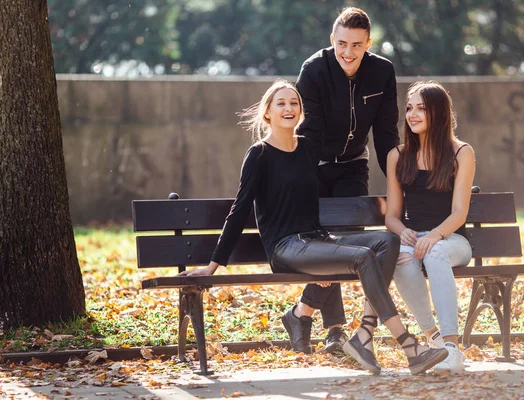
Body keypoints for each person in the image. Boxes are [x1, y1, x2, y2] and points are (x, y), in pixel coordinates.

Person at [179, 79, 447, 375]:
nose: (288, 108)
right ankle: (408, 344)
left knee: (386, 241)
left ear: (301, 112)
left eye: (294, 103)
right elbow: (239, 210)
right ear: (267, 112)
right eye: (280, 103)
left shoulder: (307, 148)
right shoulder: (259, 155)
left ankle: (359, 334)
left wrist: (326, 254)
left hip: (315, 240)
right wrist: (213, 265)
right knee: (361, 256)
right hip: (286, 247)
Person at [293, 6, 400, 354]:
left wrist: (399, 185)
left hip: (354, 165)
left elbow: (385, 135)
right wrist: (305, 184)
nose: (348, 53)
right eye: (341, 44)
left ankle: (302, 311)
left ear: (368, 43)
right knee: (326, 244)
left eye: (356, 45)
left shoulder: (382, 72)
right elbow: (308, 133)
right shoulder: (314, 70)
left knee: (350, 244)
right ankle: (335, 330)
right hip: (315, 165)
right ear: (332, 40)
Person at [385, 81, 476, 373]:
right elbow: (392, 216)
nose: (412, 114)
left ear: (438, 112)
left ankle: (451, 347)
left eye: (421, 109)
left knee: (435, 252)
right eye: (409, 108)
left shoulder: (461, 152)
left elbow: (460, 213)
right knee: (400, 257)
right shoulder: (397, 156)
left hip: (451, 241)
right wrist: (403, 233)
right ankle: (432, 337)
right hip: (415, 240)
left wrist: (435, 236)